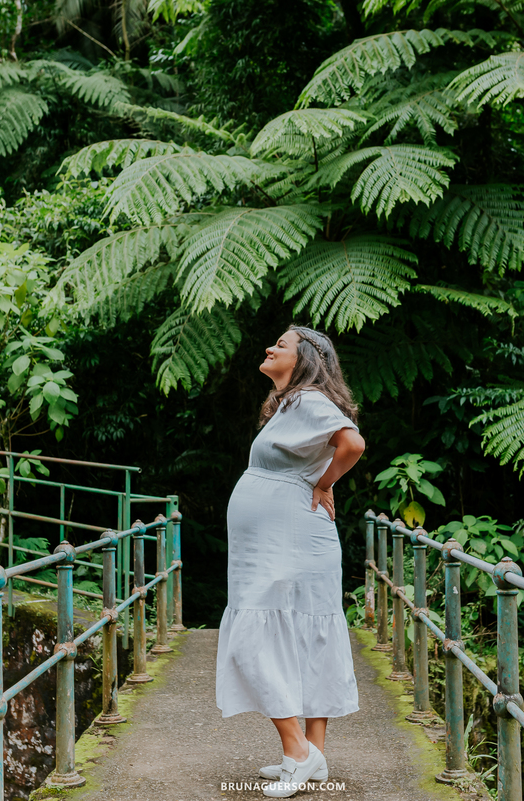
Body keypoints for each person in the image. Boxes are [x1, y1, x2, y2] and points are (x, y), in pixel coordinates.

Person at [215, 324, 367, 798]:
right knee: (305, 634)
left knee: (255, 637)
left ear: (306, 359)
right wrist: (319, 481)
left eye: (281, 344)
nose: (269, 347)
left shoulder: (307, 400)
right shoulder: (290, 405)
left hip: (289, 539)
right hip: (288, 538)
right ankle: (309, 757)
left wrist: (324, 484)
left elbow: (353, 444)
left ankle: (298, 752)